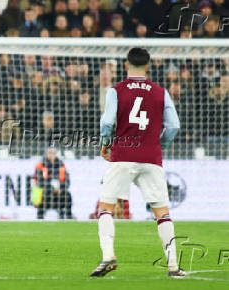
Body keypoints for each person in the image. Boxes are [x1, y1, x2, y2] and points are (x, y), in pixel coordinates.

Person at [91, 48, 184, 277]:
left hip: (122, 154)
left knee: (106, 208)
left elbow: (107, 121)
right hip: (151, 157)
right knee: (162, 212)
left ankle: (108, 256)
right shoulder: (160, 92)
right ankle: (172, 265)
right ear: (148, 67)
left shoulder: (116, 90)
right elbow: (173, 126)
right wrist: (157, 144)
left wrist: (105, 143)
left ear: (126, 65)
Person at [33, 147, 73, 219]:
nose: (52, 155)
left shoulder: (61, 165)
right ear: (46, 154)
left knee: (67, 195)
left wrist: (61, 188)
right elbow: (39, 181)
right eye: (50, 153)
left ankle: (68, 217)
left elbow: (67, 180)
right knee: (42, 195)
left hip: (59, 193)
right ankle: (40, 217)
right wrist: (52, 189)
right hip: (45, 193)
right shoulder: (41, 165)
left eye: (54, 153)